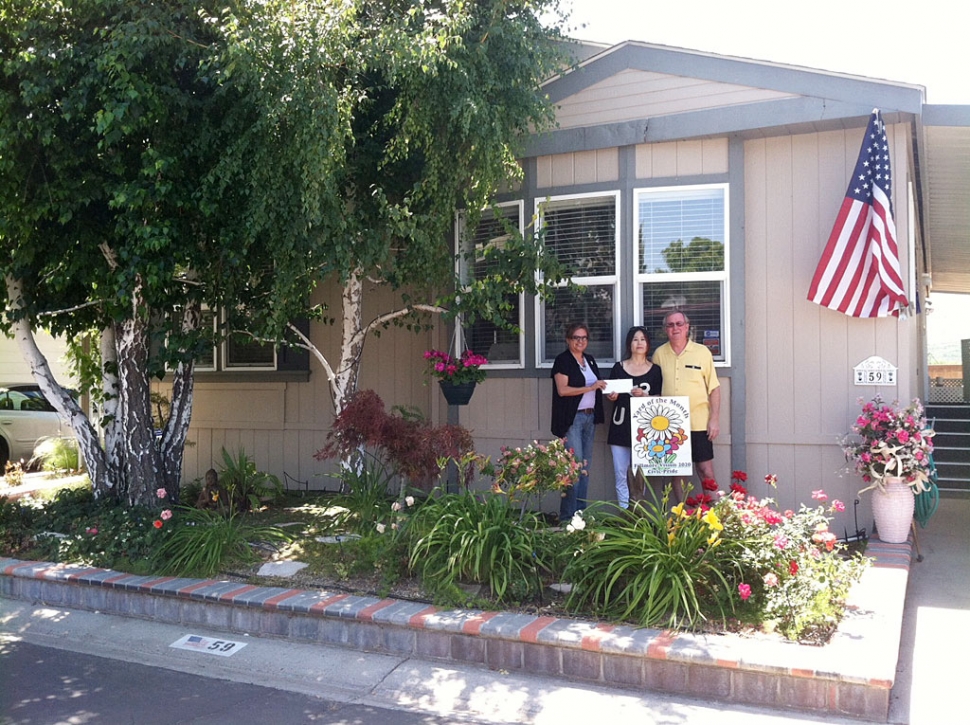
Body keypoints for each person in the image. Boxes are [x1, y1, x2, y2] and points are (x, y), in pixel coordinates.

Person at [651, 309, 721, 501]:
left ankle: (717, 516)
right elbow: (655, 389)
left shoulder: (702, 352)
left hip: (698, 423)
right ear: (666, 329)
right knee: (678, 474)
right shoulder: (659, 354)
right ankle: (684, 519)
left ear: (687, 327)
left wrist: (714, 419)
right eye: (671, 325)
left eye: (679, 324)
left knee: (706, 471)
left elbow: (714, 388)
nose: (675, 328)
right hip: (670, 426)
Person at [551, 323, 607, 521]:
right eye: (576, 337)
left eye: (584, 338)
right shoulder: (563, 361)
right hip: (572, 419)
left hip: (590, 417)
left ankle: (580, 516)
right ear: (568, 340)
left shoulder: (589, 360)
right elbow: (563, 390)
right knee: (573, 469)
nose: (580, 341)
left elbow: (598, 385)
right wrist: (590, 388)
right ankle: (567, 517)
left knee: (584, 468)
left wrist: (609, 391)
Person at [606, 326, 662, 509]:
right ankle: (625, 514)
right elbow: (611, 394)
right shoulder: (619, 367)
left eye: (643, 339)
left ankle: (638, 514)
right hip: (620, 425)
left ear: (648, 344)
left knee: (640, 475)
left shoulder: (655, 370)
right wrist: (612, 396)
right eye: (635, 339)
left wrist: (645, 396)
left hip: (644, 430)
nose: (639, 343)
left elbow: (661, 399)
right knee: (620, 473)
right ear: (629, 344)